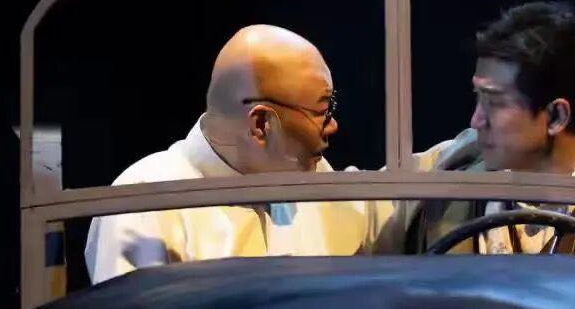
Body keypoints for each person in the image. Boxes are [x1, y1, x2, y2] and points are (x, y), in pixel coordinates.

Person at [371, 1, 575, 260]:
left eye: (494, 102)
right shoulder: (454, 161)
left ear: (556, 116)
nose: (476, 121)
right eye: (478, 98)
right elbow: (365, 211)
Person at [85, 24, 368, 283]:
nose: (333, 125)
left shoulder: (309, 175)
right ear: (261, 125)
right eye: (322, 111)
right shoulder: (142, 208)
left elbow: (371, 214)